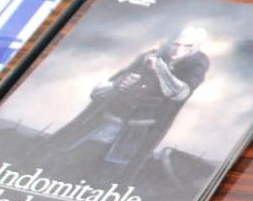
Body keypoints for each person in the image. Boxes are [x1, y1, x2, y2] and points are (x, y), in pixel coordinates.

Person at [45, 24, 213, 176]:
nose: (178, 50)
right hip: (106, 120)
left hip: (137, 130)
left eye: (186, 46)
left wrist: (159, 69)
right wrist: (119, 84)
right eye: (175, 44)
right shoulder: (152, 55)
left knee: (111, 172)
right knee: (67, 161)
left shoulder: (196, 62)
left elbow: (180, 93)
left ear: (194, 47)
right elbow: (99, 92)